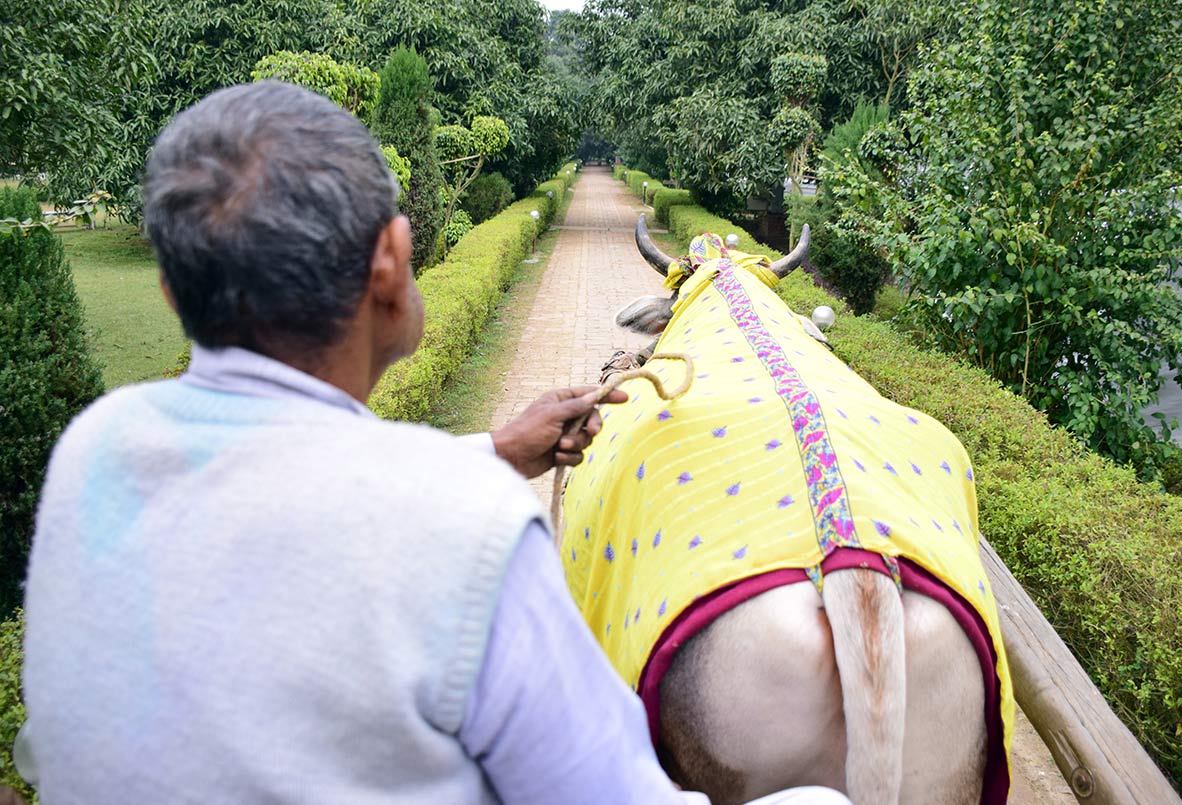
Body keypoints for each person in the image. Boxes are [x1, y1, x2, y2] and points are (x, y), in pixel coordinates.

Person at [19, 81, 849, 805]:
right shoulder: (465, 527)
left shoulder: (93, 448)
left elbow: (285, 493)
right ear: (391, 260)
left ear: (170, 289)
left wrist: (493, 449)